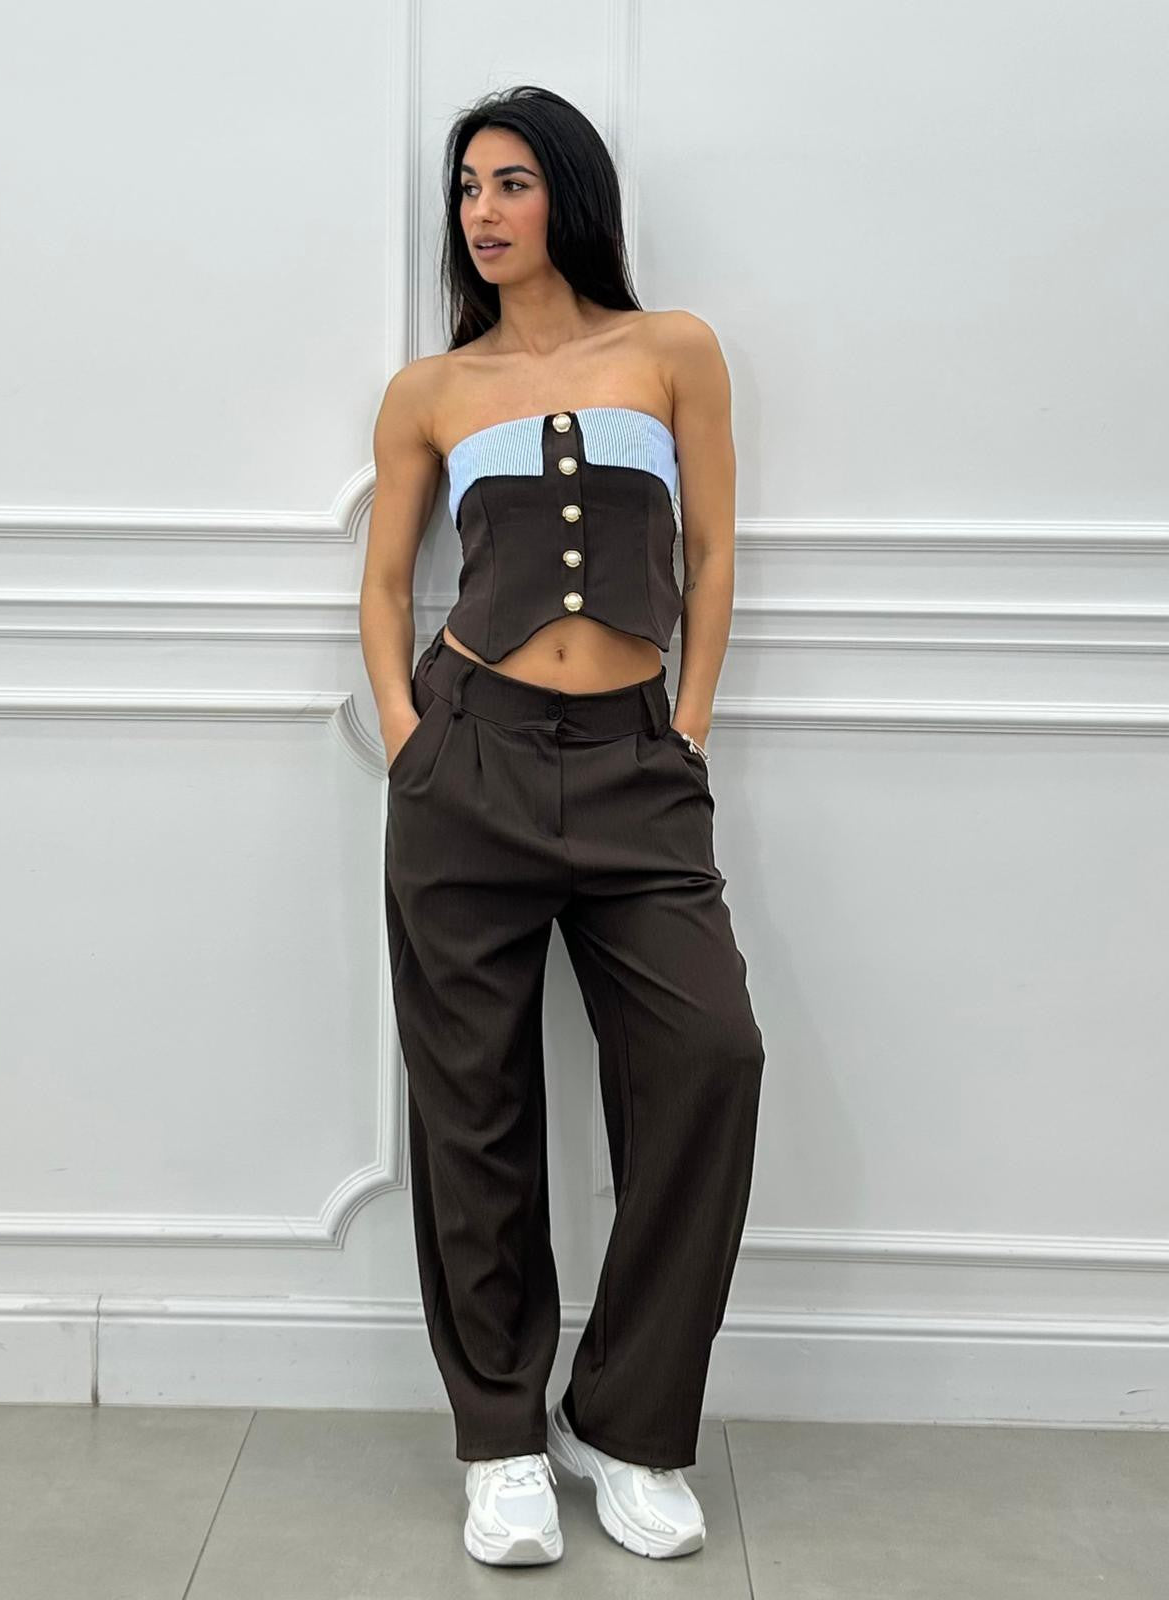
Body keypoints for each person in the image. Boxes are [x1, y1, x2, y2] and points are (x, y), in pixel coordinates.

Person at [359, 84, 765, 1567]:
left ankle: (631, 1423)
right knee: (472, 1104)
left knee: (712, 1056)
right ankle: (502, 1443)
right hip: (467, 764)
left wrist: (689, 727)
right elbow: (383, 582)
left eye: (513, 181)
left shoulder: (674, 353)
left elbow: (711, 555)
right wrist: (410, 739)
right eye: (468, 186)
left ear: (570, 196)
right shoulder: (430, 390)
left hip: (636, 766)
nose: (483, 210)